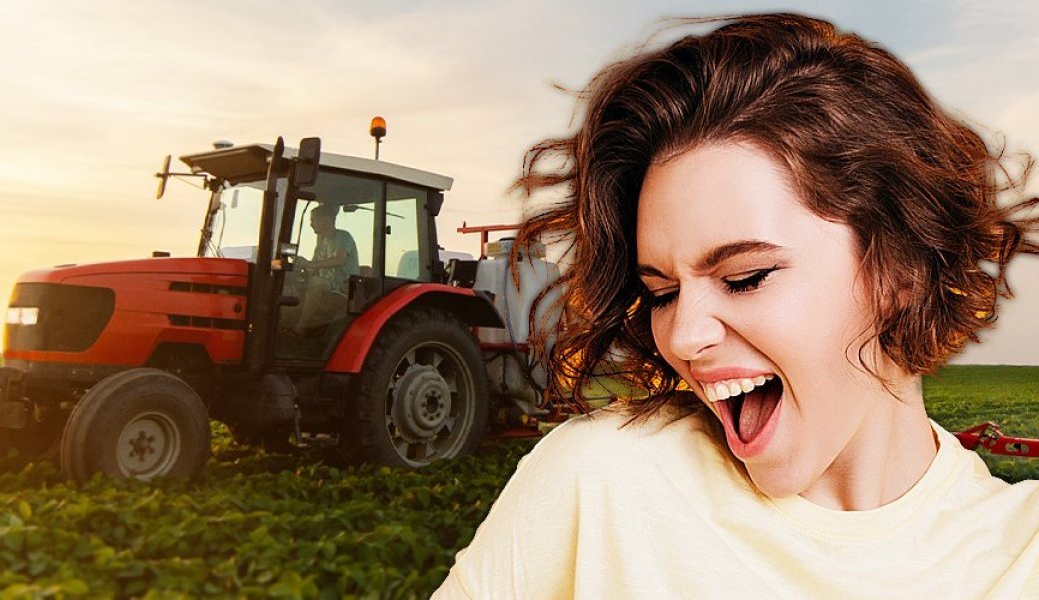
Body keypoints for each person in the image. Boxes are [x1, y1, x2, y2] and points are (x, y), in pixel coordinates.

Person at [434, 13, 1039, 598]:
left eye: (745, 277)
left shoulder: (1020, 555)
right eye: (662, 294)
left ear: (900, 269)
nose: (683, 336)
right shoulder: (598, 483)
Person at [291, 203, 359, 334]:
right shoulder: (321, 244)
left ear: (326, 220)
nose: (311, 224)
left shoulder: (344, 237)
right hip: (328, 284)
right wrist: (298, 271)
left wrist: (309, 264)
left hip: (344, 287)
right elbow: (313, 269)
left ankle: (301, 327)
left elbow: (339, 260)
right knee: (292, 285)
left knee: (317, 283)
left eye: (313, 220)